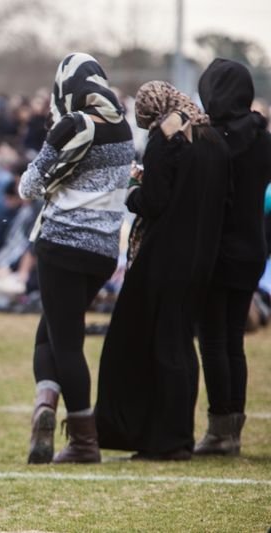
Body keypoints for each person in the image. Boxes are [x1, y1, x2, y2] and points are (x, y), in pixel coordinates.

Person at [95, 81, 230, 461]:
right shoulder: (212, 138)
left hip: (165, 256)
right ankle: (178, 434)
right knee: (181, 344)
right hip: (202, 257)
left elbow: (154, 201)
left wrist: (133, 189)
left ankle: (165, 439)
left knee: (158, 344)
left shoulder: (166, 136)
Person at [19, 53, 133, 464]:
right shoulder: (124, 126)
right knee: (50, 332)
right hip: (103, 250)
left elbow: (29, 186)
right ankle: (45, 407)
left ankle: (84, 439)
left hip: (62, 244)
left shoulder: (72, 125)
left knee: (64, 342)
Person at [195, 59, 271, 456]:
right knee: (234, 342)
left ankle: (219, 428)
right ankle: (233, 428)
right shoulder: (262, 135)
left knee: (212, 340)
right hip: (253, 246)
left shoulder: (212, 139)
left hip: (217, 249)